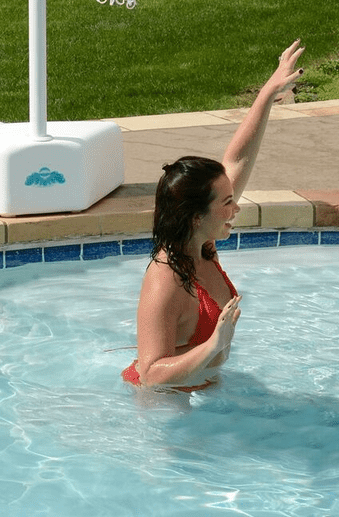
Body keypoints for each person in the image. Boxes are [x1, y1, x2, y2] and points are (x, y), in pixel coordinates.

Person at [122, 39, 304, 390]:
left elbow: (235, 159)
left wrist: (268, 93)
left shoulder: (201, 243)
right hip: (166, 409)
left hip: (202, 395)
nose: (236, 208)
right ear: (195, 216)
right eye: (226, 203)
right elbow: (151, 373)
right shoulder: (166, 280)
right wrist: (213, 345)